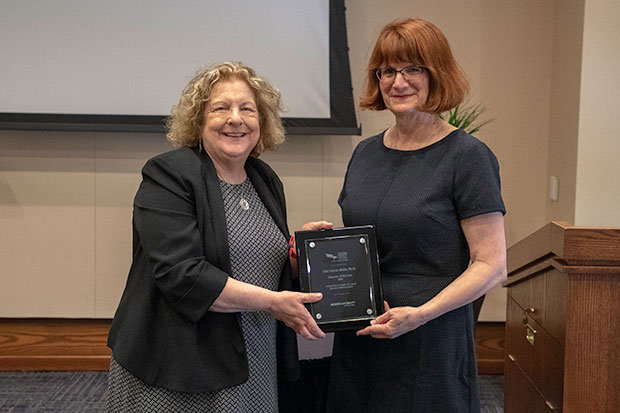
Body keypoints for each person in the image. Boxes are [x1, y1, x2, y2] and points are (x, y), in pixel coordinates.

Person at [106, 62, 331, 412]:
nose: (236, 118)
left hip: (253, 352)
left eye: (247, 109)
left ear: (263, 122)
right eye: (221, 108)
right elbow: (182, 275)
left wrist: (299, 256)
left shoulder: (264, 178)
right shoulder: (169, 174)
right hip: (180, 363)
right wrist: (273, 302)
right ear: (198, 120)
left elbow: (257, 262)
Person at [326, 18, 507, 412]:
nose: (398, 81)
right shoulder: (365, 153)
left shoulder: (468, 157)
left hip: (431, 339)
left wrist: (421, 314)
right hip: (363, 333)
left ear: (436, 75)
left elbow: (491, 265)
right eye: (388, 70)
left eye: (413, 69)